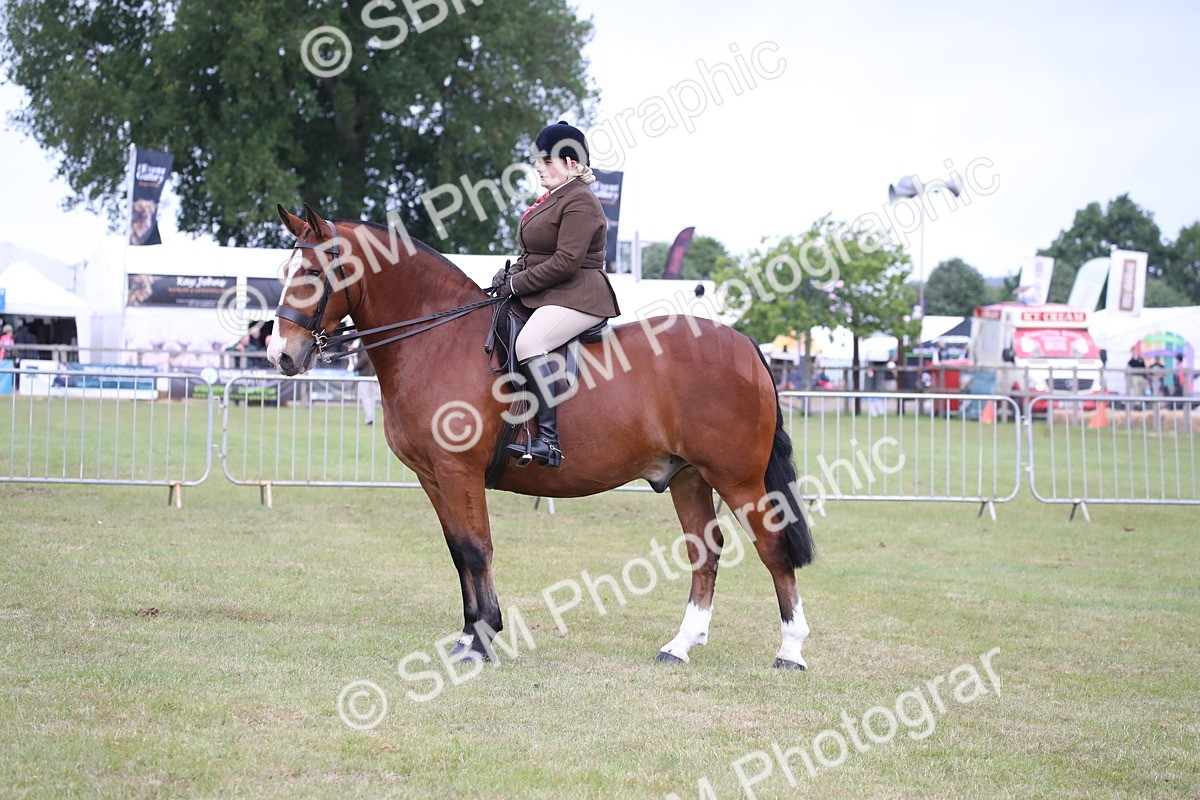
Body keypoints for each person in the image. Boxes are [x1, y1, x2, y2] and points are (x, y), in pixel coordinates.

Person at [491, 121, 621, 468]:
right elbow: (536, 254)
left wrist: (517, 285)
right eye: (538, 160)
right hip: (554, 292)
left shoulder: (580, 201)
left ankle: (548, 441)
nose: (539, 167)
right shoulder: (554, 198)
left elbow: (565, 262)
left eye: (547, 161)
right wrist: (510, 275)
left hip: (580, 295)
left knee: (529, 343)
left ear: (572, 164)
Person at [351, 342, 377, 426]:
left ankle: (369, 417)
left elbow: (364, 358)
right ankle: (371, 416)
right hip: (370, 374)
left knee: (365, 397)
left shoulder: (363, 342)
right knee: (370, 397)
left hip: (365, 375)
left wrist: (355, 368)